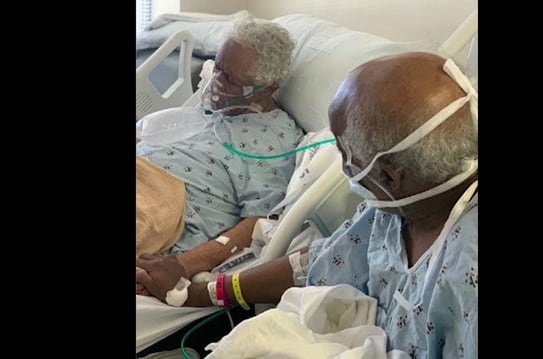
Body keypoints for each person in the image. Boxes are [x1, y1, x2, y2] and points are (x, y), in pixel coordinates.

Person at [137, 51, 478, 357]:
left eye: (347, 154)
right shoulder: (394, 210)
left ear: (389, 177)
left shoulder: (467, 274)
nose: (341, 163)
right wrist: (195, 293)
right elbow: (316, 261)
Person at [135, 18, 304, 277]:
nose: (216, 81)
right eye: (218, 67)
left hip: (163, 203)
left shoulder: (273, 141)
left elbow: (259, 223)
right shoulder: (219, 111)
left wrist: (182, 266)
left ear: (267, 88)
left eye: (230, 79)